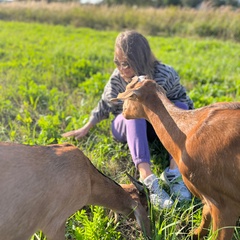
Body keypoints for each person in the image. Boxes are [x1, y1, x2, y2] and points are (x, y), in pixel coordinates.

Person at [62, 30, 194, 209]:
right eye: (117, 62)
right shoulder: (117, 78)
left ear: (140, 61)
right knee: (134, 110)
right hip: (125, 125)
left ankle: (174, 171)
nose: (120, 68)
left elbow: (183, 102)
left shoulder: (164, 74)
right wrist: (85, 127)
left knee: (180, 105)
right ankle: (147, 178)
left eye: (126, 63)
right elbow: (104, 105)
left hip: (158, 127)